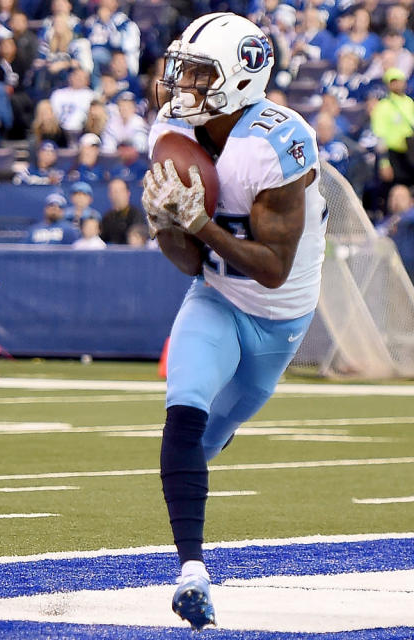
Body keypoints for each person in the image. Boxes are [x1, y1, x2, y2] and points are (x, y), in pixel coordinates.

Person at [140, 13, 326, 630]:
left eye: (199, 72)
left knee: (218, 429)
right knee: (184, 409)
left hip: (279, 318)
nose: (182, 83)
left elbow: (272, 267)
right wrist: (166, 225)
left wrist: (199, 223)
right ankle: (192, 570)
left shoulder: (278, 143)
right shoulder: (171, 131)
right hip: (216, 297)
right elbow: (192, 263)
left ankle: (212, 447)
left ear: (242, 78)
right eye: (182, 68)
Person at [100, 178, 142, 244]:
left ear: (128, 193)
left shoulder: (136, 215)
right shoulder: (107, 217)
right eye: (113, 192)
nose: (117, 195)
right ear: (109, 195)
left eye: (120, 191)